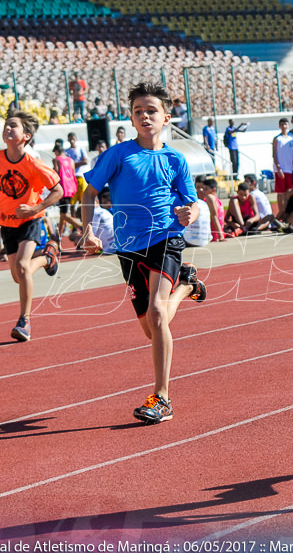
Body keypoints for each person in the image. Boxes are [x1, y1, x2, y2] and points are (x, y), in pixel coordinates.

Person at [80, 81, 206, 425]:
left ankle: (161, 397)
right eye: (138, 112)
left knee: (157, 314)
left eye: (151, 111)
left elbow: (192, 201)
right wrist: (87, 230)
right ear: (132, 119)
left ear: (166, 117)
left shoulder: (174, 159)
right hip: (128, 247)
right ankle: (187, 287)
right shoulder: (118, 155)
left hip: (165, 238)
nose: (145, 116)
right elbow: (88, 193)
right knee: (153, 328)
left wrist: (190, 213)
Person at [0, 110, 62, 341]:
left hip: (30, 221)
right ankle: (48, 257)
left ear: (25, 136)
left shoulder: (33, 164)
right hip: (7, 224)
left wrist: (36, 208)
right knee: (18, 276)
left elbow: (58, 191)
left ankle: (24, 321)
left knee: (24, 267)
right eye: (6, 125)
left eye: (13, 126)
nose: (7, 128)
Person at [52, 143, 82, 239]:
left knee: (64, 214)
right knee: (63, 213)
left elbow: (56, 173)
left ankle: (81, 227)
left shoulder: (56, 160)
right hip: (71, 186)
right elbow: (72, 172)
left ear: (56, 151)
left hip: (62, 188)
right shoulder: (70, 160)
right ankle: (59, 237)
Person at [272, 117, 293, 213]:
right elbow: (274, 154)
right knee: (280, 192)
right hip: (281, 169)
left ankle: (286, 212)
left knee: (288, 192)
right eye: (282, 124)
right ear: (279, 126)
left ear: (288, 125)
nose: (284, 126)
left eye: (285, 124)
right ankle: (280, 211)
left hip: (289, 169)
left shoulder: (291, 139)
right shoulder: (277, 139)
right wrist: (278, 168)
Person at [195, 176, 226, 242]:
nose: (201, 190)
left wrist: (221, 236)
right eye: (198, 187)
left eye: (205, 188)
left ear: (213, 190)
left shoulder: (209, 198)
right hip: (215, 234)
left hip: (213, 235)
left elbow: (214, 216)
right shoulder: (216, 199)